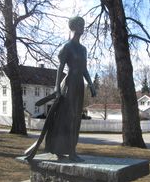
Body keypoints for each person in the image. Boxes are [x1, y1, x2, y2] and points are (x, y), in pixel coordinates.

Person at [24, 16, 96, 162]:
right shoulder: (67, 46)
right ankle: (66, 150)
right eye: (80, 24)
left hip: (79, 86)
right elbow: (60, 68)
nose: (83, 27)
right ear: (73, 27)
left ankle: (70, 150)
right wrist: (57, 88)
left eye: (83, 24)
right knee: (66, 118)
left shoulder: (83, 49)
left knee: (76, 118)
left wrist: (91, 85)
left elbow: (84, 69)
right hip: (68, 84)